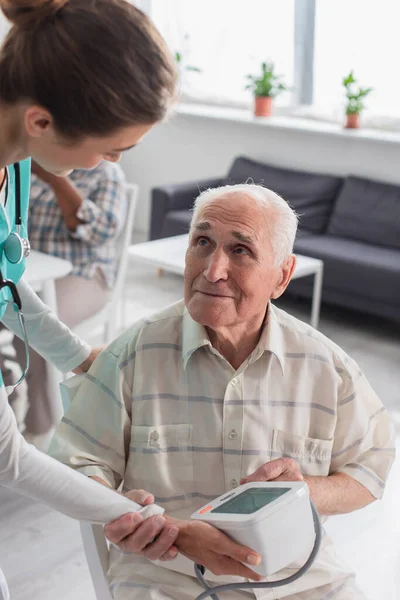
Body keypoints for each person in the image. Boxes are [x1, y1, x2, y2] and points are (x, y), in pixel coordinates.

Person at [0, 1, 249, 598]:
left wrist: (83, 358)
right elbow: (9, 458)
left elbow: (6, 287)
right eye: (112, 150)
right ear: (41, 122)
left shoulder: (16, 169)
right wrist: (161, 527)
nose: (109, 164)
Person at [50, 183, 395, 600]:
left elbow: (369, 472)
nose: (212, 270)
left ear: (282, 275)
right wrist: (133, 517)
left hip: (302, 579)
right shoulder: (134, 353)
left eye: (241, 250)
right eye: (202, 242)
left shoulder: (329, 368)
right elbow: (75, 465)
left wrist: (305, 489)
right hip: (165, 579)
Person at [5, 160, 126, 441]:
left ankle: (40, 427)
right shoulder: (25, 168)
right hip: (32, 271)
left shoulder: (107, 174)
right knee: (11, 315)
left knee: (31, 333)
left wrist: (55, 178)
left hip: (85, 274)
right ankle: (8, 406)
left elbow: (101, 232)